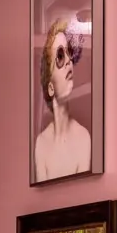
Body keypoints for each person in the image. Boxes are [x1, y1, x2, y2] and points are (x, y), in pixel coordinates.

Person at [33, 14, 92, 180]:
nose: (68, 61)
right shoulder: (41, 144)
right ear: (50, 87)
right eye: (60, 56)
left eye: (69, 53)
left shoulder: (83, 139)